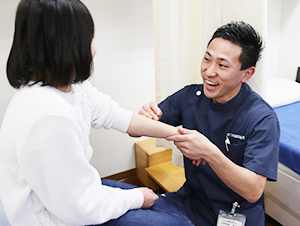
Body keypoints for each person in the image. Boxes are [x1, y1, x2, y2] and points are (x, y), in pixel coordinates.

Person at [0, 0, 182, 225]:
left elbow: (121, 118)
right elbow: (82, 207)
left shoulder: (70, 87)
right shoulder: (50, 116)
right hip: (55, 216)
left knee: (162, 208)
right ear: (69, 44)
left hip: (73, 198)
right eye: (90, 35)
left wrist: (177, 133)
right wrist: (137, 196)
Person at [138, 21, 280, 225]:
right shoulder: (191, 96)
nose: (209, 71)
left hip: (235, 215)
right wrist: (144, 115)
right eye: (207, 59)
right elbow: (138, 128)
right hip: (190, 204)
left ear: (247, 74)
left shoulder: (261, 118)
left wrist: (209, 152)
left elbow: (253, 190)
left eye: (222, 65)